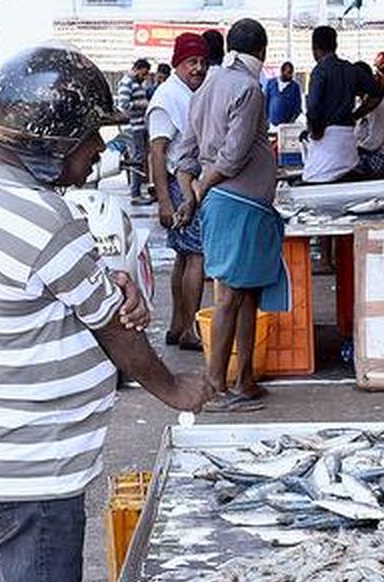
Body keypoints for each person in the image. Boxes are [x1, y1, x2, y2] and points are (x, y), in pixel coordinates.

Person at [0, 43, 211, 582]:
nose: (99, 151)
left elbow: (51, 287)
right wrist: (174, 387)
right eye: (90, 138)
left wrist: (107, 280)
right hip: (32, 469)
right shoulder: (41, 218)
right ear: (52, 143)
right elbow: (114, 328)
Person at [175, 19, 290, 413]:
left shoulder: (206, 86)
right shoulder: (248, 88)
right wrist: (200, 190)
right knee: (228, 295)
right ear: (262, 50)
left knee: (247, 292)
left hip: (232, 203)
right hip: (237, 201)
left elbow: (184, 156)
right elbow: (233, 155)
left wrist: (192, 194)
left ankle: (245, 379)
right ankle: (215, 385)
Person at [147, 33, 209, 351]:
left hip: (182, 184)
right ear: (177, 63)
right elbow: (157, 153)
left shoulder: (186, 93)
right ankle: (190, 330)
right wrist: (164, 201)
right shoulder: (167, 98)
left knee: (184, 257)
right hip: (178, 186)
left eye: (202, 62)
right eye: (191, 62)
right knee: (196, 256)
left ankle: (177, 325)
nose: (198, 68)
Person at [303, 25, 384, 183]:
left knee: (313, 181)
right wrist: (356, 115)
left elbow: (312, 106)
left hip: (326, 141)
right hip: (348, 142)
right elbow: (378, 93)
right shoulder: (351, 69)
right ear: (336, 45)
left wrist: (314, 130)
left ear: (315, 48)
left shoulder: (319, 71)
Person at [115, 57, 153, 204]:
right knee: (137, 159)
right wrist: (142, 104)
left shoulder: (136, 83)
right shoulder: (127, 82)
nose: (144, 77)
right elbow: (123, 105)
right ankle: (135, 194)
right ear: (136, 69)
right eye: (143, 74)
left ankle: (136, 191)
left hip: (140, 126)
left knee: (139, 158)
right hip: (133, 127)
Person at [353, 61, 384, 177]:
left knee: (342, 166)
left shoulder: (379, 104)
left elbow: (375, 141)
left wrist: (354, 149)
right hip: (368, 152)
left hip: (379, 158)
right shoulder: (366, 101)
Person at [264, 61, 302, 126]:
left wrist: (290, 122)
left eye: (290, 72)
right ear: (282, 71)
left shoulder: (295, 87)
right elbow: (265, 102)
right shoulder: (271, 83)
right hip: (271, 124)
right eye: (286, 72)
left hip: (286, 125)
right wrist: (266, 120)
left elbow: (297, 107)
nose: (288, 75)